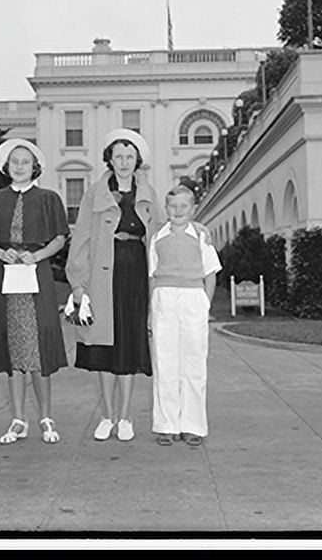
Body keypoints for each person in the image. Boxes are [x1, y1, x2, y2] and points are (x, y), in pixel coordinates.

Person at [66, 128, 159, 442]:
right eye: (118, 156)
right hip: (102, 277)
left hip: (135, 276)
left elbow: (158, 237)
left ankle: (126, 416)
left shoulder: (148, 194)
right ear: (109, 159)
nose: (124, 162)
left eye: (129, 156)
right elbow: (81, 239)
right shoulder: (95, 193)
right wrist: (78, 284)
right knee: (104, 346)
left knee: (130, 344)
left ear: (137, 161)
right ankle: (106, 415)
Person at [0, 138, 69, 445]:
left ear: (34, 167)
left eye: (25, 162)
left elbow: (59, 237)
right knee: (13, 350)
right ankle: (18, 419)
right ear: (7, 166)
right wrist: (1, 254)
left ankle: (45, 417)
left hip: (36, 276)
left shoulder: (48, 198)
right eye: (14, 161)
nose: (19, 166)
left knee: (38, 347)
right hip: (5, 278)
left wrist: (38, 255)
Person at [148, 182, 221, 447]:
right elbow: (152, 275)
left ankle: (193, 425)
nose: (178, 210)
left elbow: (211, 273)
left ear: (193, 209)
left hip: (192, 300)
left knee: (193, 363)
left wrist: (205, 304)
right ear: (166, 209)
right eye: (173, 206)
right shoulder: (158, 237)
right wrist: (150, 311)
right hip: (164, 300)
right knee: (165, 363)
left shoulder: (201, 236)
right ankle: (167, 425)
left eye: (183, 206)